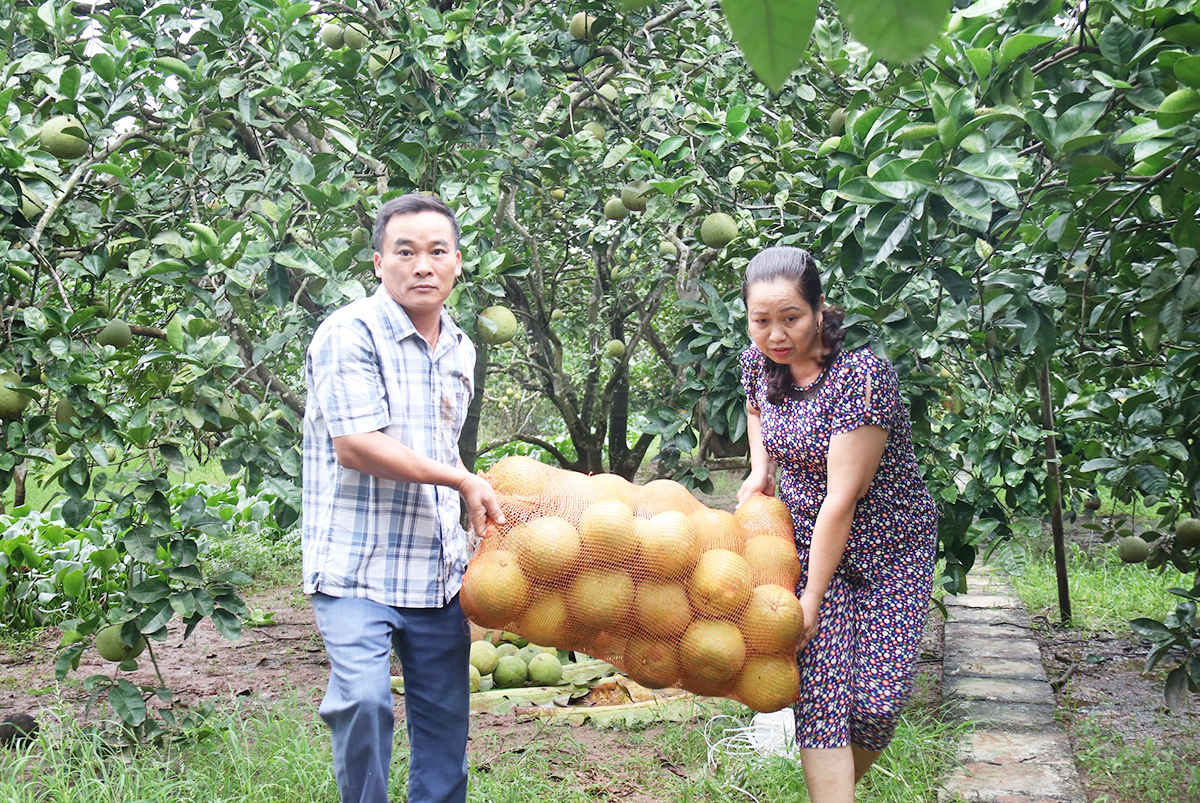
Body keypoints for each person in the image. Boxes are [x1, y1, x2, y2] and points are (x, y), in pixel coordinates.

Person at [302, 193, 505, 803]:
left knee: (445, 730)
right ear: (377, 262)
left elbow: (439, 447)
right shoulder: (349, 331)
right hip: (354, 567)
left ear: (458, 263)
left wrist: (475, 502)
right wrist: (462, 480)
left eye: (437, 252)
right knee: (363, 701)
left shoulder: (461, 347)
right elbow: (358, 446)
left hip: (435, 569)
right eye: (406, 251)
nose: (423, 265)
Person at [735, 246, 937, 803]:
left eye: (791, 318)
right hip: (806, 543)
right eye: (761, 321)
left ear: (821, 309)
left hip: (888, 553)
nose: (776, 335)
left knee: (874, 704)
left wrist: (812, 598)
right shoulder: (759, 363)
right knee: (822, 697)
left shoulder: (861, 377)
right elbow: (756, 405)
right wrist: (761, 469)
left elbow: (842, 499)